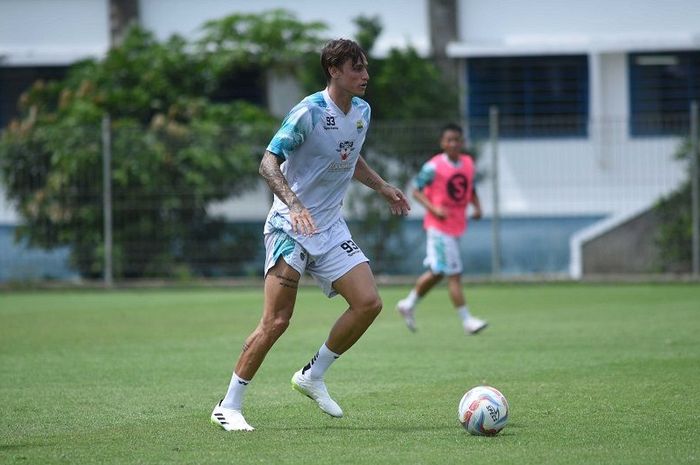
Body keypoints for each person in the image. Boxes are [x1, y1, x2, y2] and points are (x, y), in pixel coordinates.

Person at [211, 38, 410, 431]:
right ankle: (228, 406)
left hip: (330, 225)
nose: (365, 75)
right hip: (291, 226)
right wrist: (294, 204)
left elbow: (348, 157)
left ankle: (312, 375)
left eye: (366, 67)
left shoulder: (362, 112)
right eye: (357, 68)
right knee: (277, 321)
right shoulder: (308, 112)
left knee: (368, 303)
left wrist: (383, 186)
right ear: (334, 70)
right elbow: (268, 163)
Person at [395, 123, 487, 335]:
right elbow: (416, 190)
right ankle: (467, 321)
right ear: (442, 143)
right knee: (454, 273)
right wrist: (433, 208)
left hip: (456, 225)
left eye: (457, 140)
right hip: (439, 228)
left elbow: (470, 188)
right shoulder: (433, 167)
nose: (454, 144)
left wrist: (478, 207)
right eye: (449, 140)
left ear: (462, 142)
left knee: (438, 272)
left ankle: (408, 304)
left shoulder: (467, 163)